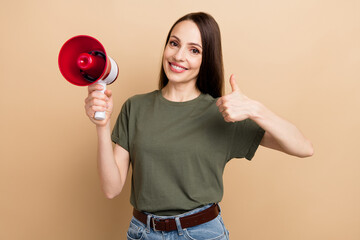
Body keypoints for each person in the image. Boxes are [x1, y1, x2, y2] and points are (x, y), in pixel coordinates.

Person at [84, 12, 313, 240]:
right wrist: (102, 126)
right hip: (143, 233)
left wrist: (255, 109)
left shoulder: (222, 112)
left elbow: (303, 147)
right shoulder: (135, 107)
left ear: (206, 59)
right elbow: (111, 189)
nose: (179, 56)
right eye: (174, 43)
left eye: (194, 50)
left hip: (202, 234)